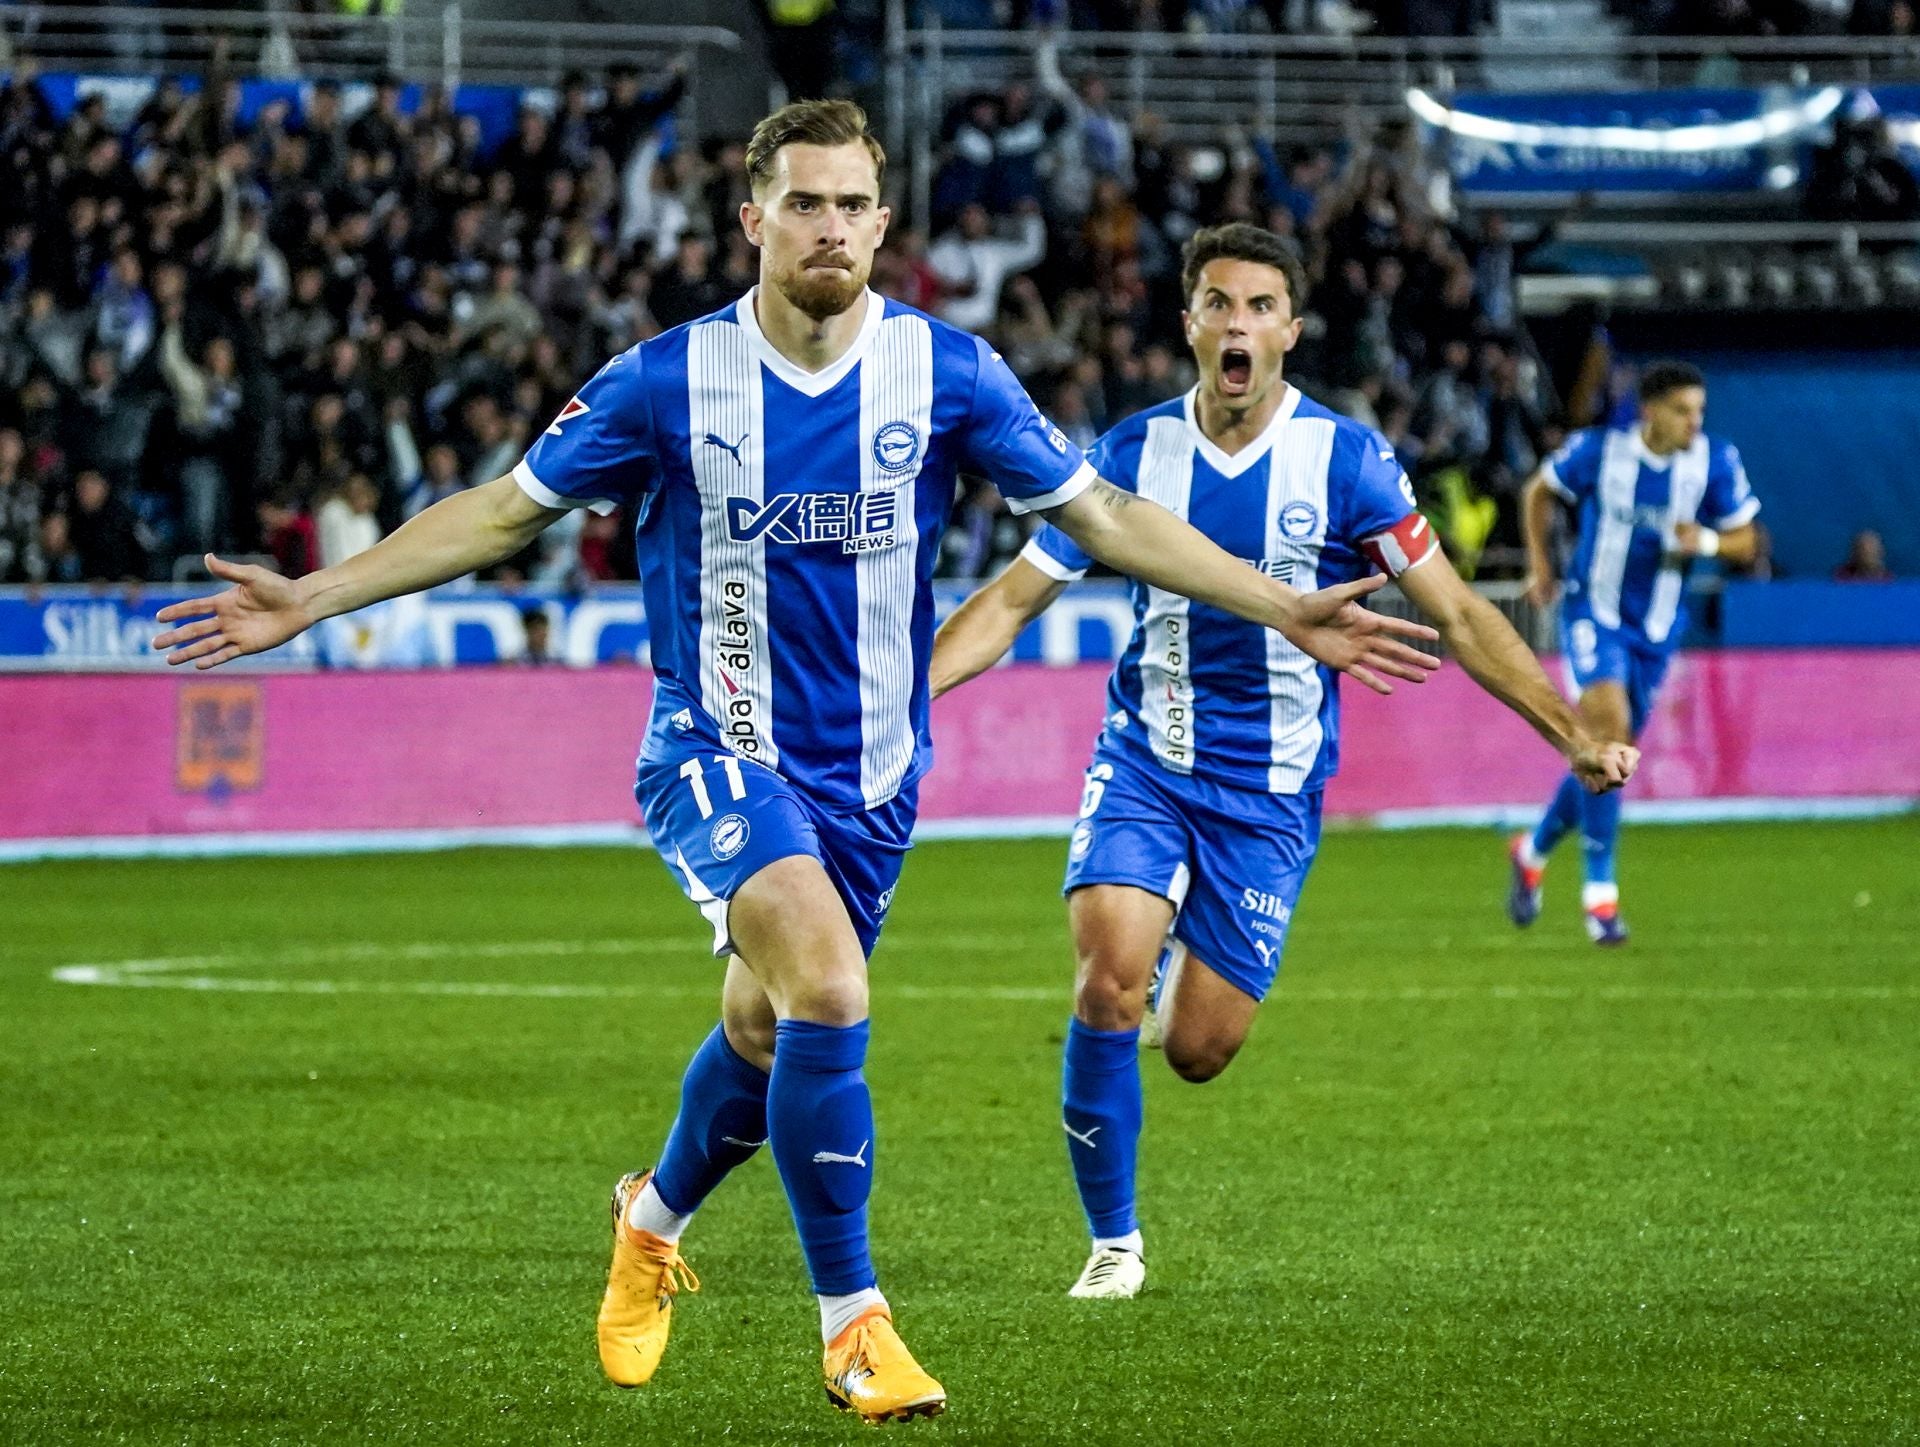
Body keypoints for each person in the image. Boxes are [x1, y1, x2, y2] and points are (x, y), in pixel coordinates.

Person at [151, 102, 1440, 1423]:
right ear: (753, 216)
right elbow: (501, 508)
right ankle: (854, 1325)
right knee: (829, 984)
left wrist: (1283, 603)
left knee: (764, 1032)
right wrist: (317, 595)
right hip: (716, 748)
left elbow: (1101, 513)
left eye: (851, 206)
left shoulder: (948, 374)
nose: (829, 227)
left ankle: (648, 1220)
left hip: (873, 776)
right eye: (804, 203)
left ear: (883, 225)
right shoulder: (667, 378)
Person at [928, 222, 1638, 1303]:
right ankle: (1113, 1241)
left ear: (1292, 331)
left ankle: (1177, 978)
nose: (1238, 324)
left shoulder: (1346, 460)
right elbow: (1015, 599)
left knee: (1200, 1048)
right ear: (1189, 324)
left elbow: (1455, 610)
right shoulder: (1126, 456)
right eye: (1219, 303)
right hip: (1147, 758)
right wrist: (890, 701)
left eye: (1261, 307)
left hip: (1270, 792)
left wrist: (1567, 727)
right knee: (1108, 977)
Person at [1513, 361, 1760, 945]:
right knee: (1611, 734)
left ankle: (1531, 850)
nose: (1694, 422)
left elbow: (1748, 541)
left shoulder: (1714, 462)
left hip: (1656, 633)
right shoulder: (1601, 451)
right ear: (1649, 410)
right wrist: (1541, 564)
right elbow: (1539, 489)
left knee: (1608, 761)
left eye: (1700, 410)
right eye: (1682, 410)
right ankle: (1601, 899)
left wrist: (1702, 539)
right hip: (1592, 615)